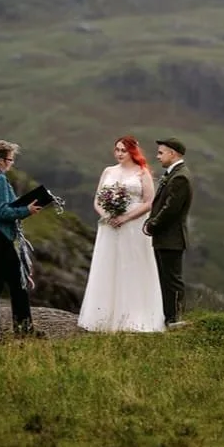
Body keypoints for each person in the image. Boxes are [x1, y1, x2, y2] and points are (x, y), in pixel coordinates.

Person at [77, 135, 165, 332]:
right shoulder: (108, 171)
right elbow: (98, 200)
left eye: (123, 150)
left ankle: (134, 316)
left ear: (132, 151)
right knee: (108, 264)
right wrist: (106, 215)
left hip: (133, 226)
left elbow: (149, 202)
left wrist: (126, 218)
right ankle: (102, 316)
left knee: (131, 265)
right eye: (117, 150)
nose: (119, 154)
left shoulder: (142, 173)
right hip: (109, 225)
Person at [0, 139, 42, 337]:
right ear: (1, 160)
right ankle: (23, 329)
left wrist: (22, 205)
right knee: (16, 283)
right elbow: (1, 211)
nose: (12, 163)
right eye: (10, 159)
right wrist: (27, 210)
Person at [143, 137, 193, 328]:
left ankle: (175, 317)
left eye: (161, 153)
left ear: (173, 154)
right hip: (166, 237)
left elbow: (171, 208)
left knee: (172, 279)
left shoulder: (180, 177)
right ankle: (169, 316)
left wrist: (153, 224)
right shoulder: (174, 174)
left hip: (171, 237)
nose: (158, 156)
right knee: (165, 278)